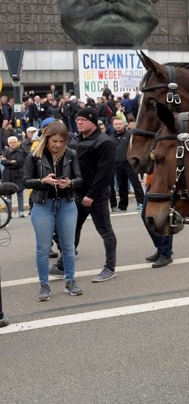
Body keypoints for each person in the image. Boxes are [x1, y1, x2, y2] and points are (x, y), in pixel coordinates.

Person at [54, 106, 119, 283]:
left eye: (83, 120)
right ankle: (63, 265)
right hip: (77, 193)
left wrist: (91, 195)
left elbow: (104, 173)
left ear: (93, 122)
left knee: (105, 231)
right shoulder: (76, 141)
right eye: (77, 120)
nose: (79, 122)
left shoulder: (104, 142)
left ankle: (110, 268)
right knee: (71, 229)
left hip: (95, 196)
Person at [23, 122, 83, 301]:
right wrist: (42, 181)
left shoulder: (71, 154)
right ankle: (44, 285)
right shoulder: (34, 156)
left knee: (68, 247)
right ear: (46, 138)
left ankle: (70, 281)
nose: (57, 144)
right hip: (42, 205)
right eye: (54, 140)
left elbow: (80, 178)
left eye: (61, 141)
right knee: (42, 248)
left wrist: (70, 183)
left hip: (67, 204)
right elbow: (25, 181)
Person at [109, 116, 144, 212]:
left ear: (123, 124)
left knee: (136, 184)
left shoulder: (130, 135)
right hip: (118, 165)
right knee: (121, 186)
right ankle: (122, 206)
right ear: (113, 125)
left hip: (130, 164)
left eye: (120, 124)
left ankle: (141, 202)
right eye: (116, 124)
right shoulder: (111, 137)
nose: (118, 126)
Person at [1, 136, 27, 217]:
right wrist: (11, 161)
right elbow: (2, 162)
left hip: (18, 175)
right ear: (8, 144)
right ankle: (9, 213)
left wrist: (7, 161)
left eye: (14, 142)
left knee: (20, 193)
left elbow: (19, 162)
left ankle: (21, 211)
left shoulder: (21, 151)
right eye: (11, 142)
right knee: (7, 194)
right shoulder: (5, 151)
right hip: (7, 176)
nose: (13, 144)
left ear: (17, 143)